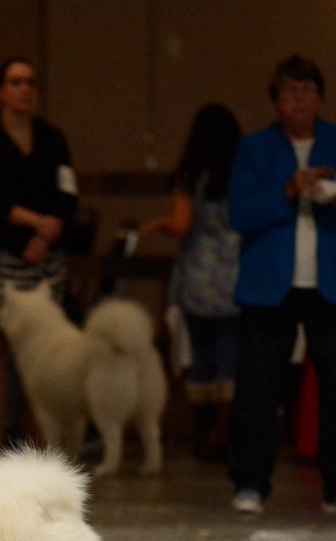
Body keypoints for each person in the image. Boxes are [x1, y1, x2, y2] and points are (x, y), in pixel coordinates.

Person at [227, 55, 336, 515]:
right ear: (275, 102)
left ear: (320, 97)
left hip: (328, 282)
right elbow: (240, 215)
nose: (300, 102)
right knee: (258, 387)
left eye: (308, 92)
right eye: (290, 94)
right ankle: (251, 482)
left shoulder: (334, 141)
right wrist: (288, 193)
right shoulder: (255, 148)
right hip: (269, 283)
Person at [0, 56, 77, 456]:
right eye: (15, 82)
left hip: (45, 254)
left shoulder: (52, 138)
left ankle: (39, 439)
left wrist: (45, 236)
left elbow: (67, 194)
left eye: (31, 82)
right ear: (0, 91)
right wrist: (34, 223)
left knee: (44, 345)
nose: (24, 89)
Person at [140, 104, 242, 460]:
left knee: (201, 357)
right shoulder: (240, 174)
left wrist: (156, 225)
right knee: (231, 355)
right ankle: (228, 432)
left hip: (197, 276)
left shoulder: (189, 176)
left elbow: (181, 225)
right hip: (234, 276)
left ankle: (204, 433)